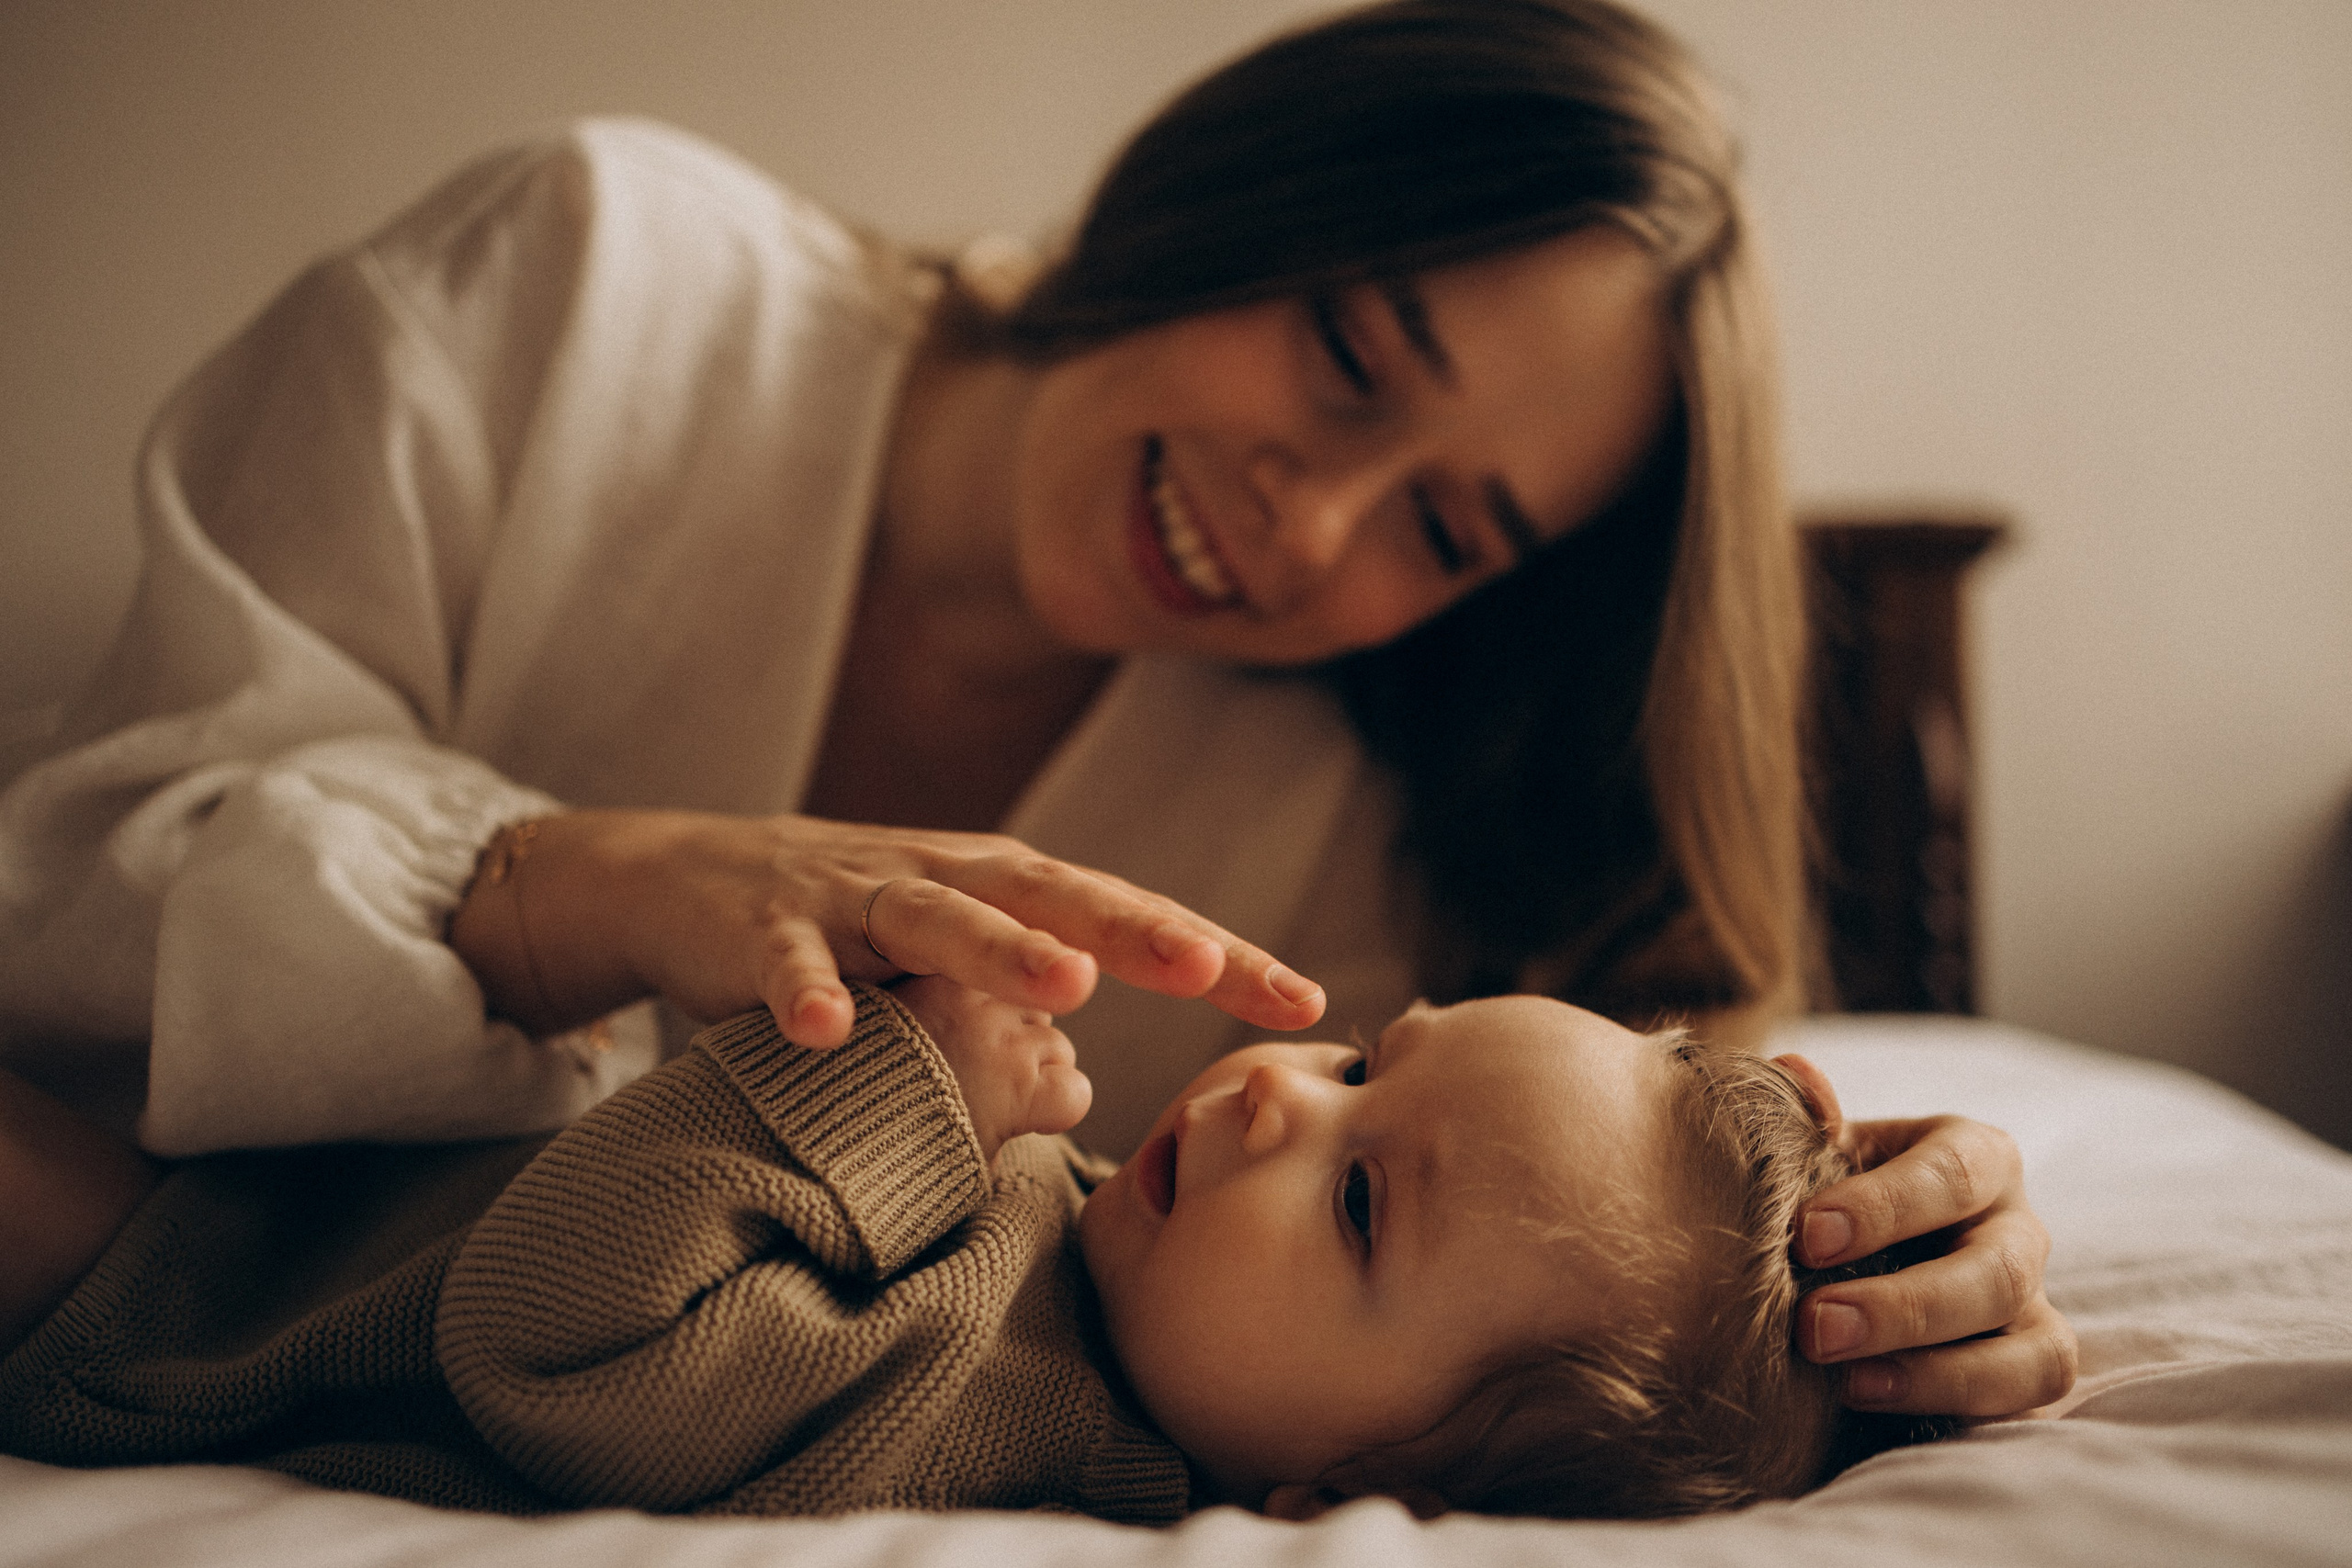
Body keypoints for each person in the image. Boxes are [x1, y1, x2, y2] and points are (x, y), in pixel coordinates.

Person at [0, 0, 2072, 1419]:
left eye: (1440, 530)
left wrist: (1884, 1255)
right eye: (1347, 355)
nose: (1304, 522)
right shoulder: (586, 286)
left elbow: (1603, 1263)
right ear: (1252, 182)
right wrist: (584, 884)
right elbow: (71, 912)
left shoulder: (1356, 841)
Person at [0, 982, 1969, 1520]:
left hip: (179, 1292)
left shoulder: (975, 1405)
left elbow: (558, 1337)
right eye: (1371, 1057)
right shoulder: (1107, 1272)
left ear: (1348, 1494)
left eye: (1363, 1191)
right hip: (273, 1184)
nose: (1287, 1094)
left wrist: (891, 1090)